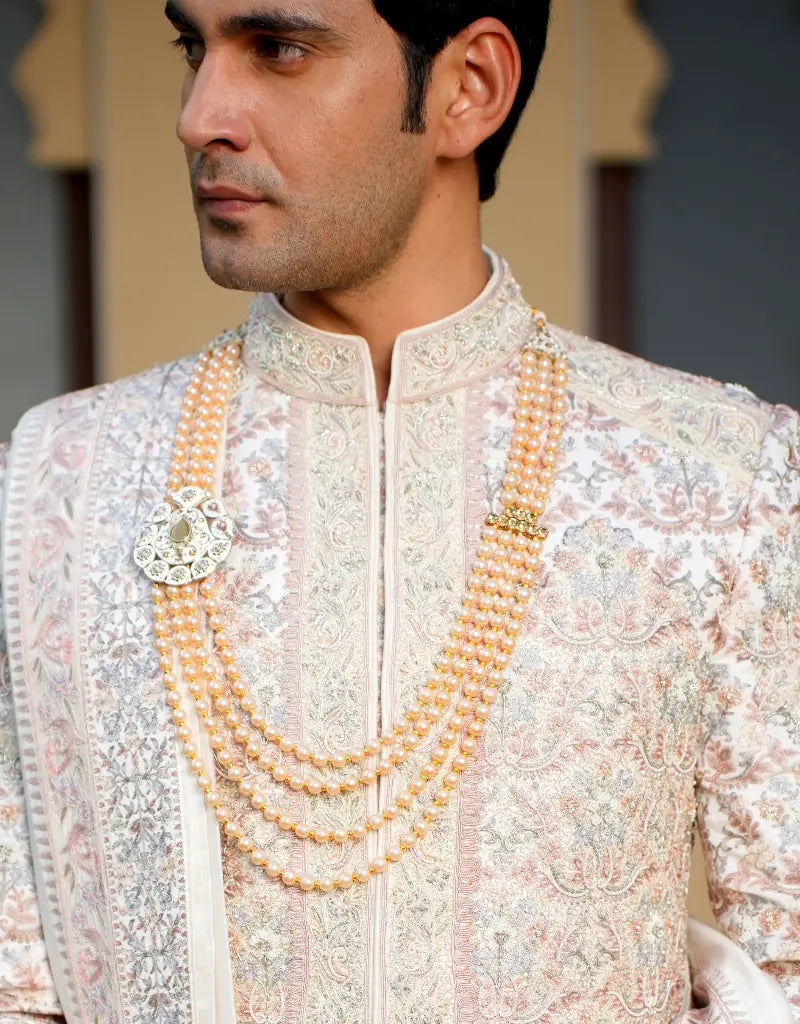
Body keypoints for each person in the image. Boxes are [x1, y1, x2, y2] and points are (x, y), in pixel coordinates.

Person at [0, 0, 798, 1020]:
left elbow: (784, 970)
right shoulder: (67, 480)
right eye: (193, 47)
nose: (199, 115)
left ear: (469, 89)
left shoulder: (715, 475)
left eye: (278, 49)